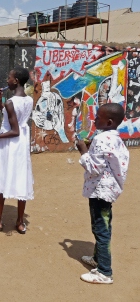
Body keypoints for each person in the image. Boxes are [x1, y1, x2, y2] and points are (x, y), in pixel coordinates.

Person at [76, 103, 129, 284]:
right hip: (108, 189)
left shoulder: (101, 139)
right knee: (103, 225)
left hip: (100, 191)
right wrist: (91, 149)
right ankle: (98, 260)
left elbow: (94, 168)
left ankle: (105, 272)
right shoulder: (115, 138)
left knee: (101, 229)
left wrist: (83, 150)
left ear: (109, 121)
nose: (94, 119)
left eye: (98, 117)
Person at [0, 67, 34, 234]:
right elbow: (12, 120)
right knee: (21, 176)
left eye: (9, 77)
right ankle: (20, 222)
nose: (7, 80)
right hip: (21, 144)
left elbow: (14, 130)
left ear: (16, 81)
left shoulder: (11, 102)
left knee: (2, 176)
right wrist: (0, 102)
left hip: (9, 143)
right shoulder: (29, 100)